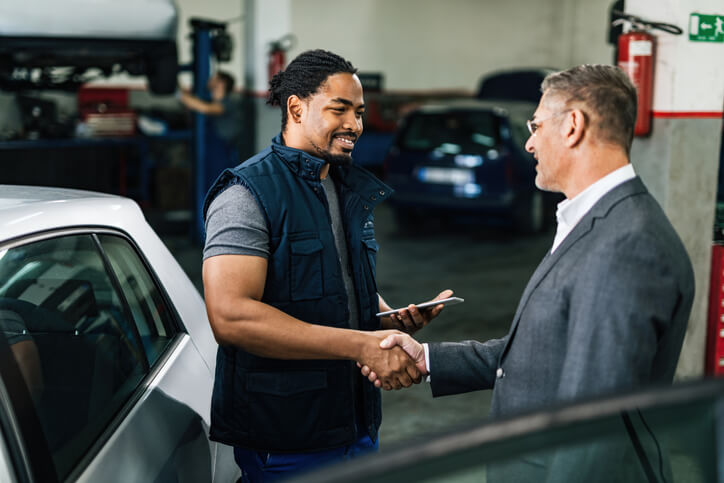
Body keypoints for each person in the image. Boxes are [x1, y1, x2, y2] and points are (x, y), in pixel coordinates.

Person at [362, 64, 695, 481]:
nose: (530, 143)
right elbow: (542, 354)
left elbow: (595, 421)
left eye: (536, 126)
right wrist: (427, 358)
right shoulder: (594, 222)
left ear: (573, 126)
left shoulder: (627, 245)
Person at [201, 49, 451, 482]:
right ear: (296, 108)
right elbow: (232, 317)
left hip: (353, 420)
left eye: (359, 112)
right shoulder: (246, 195)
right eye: (340, 109)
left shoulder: (343, 186)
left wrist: (386, 319)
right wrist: (360, 345)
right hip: (287, 432)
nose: (354, 124)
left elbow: (336, 281)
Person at [178, 70, 243, 172]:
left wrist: (178, 94)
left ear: (221, 83)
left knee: (217, 182)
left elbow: (206, 108)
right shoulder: (210, 101)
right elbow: (195, 104)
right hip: (208, 150)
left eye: (214, 78)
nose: (209, 80)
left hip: (220, 153)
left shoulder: (228, 103)